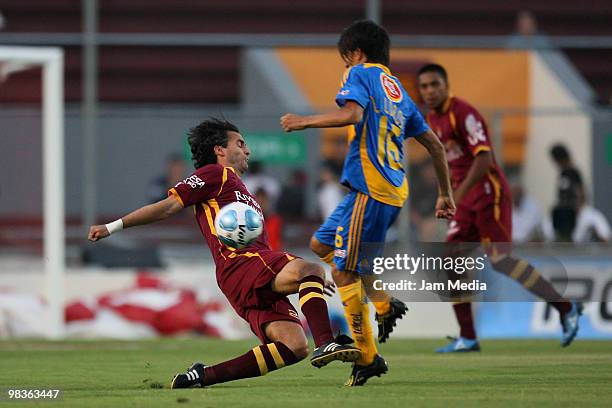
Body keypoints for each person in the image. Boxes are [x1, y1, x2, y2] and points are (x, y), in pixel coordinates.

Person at [88, 118, 361, 389]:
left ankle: (202, 376)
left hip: (246, 273)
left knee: (294, 346)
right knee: (312, 269)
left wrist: (301, 277)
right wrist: (113, 227)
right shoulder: (215, 174)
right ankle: (326, 343)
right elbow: (170, 205)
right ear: (220, 150)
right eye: (240, 144)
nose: (247, 151)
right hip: (240, 264)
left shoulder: (244, 192)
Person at [281, 20, 456, 386]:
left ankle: (368, 356)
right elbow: (436, 146)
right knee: (321, 245)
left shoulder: (360, 74)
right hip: (378, 189)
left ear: (355, 54)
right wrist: (445, 193)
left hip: (373, 190)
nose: (344, 67)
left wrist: (304, 122)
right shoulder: (399, 93)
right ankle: (383, 304)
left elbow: (352, 114)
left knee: (344, 271)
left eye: (344, 59)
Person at [417, 63, 582, 353]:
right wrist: (449, 192)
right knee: (451, 260)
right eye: (424, 86)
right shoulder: (433, 119)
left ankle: (566, 308)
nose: (430, 91)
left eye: (434, 85)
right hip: (464, 197)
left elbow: (484, 160)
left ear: (446, 85)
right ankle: (468, 337)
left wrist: (456, 194)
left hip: (488, 193)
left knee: (500, 260)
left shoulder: (464, 114)